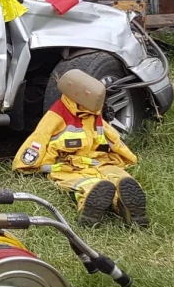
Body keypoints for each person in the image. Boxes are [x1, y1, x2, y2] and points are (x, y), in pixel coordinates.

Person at [13, 68, 148, 228]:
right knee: (88, 185)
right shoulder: (56, 116)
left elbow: (112, 137)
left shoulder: (94, 115)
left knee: (120, 178)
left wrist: (126, 156)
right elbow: (39, 138)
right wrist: (26, 163)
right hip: (69, 167)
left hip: (101, 163)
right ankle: (91, 210)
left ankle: (129, 206)